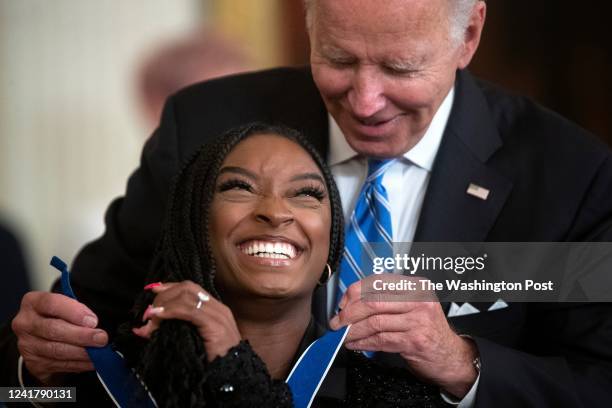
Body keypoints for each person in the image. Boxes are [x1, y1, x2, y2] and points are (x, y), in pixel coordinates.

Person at [5, 0, 612, 406]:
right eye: (339, 60)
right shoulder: (205, 125)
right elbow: (72, 349)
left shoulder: (568, 174)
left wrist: (463, 364)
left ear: (470, 35)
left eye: (400, 67)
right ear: (309, 22)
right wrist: (33, 378)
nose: (366, 101)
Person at [104, 122, 443, 407]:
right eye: (239, 187)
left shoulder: (393, 396)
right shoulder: (101, 377)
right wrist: (48, 390)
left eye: (305, 193)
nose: (276, 212)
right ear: (192, 226)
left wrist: (232, 368)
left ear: (330, 248)